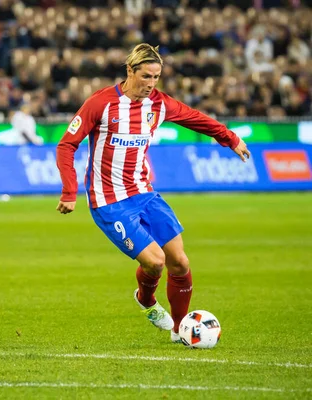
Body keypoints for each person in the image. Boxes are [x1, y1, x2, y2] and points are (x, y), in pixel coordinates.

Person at [56, 44, 250, 342]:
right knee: (155, 261)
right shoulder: (101, 104)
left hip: (144, 193)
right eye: (146, 76)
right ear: (130, 71)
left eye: (156, 77)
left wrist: (230, 138)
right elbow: (66, 145)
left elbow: (196, 118)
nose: (151, 84)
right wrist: (70, 191)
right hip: (109, 201)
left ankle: (177, 329)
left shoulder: (159, 104)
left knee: (181, 262)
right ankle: (146, 299)